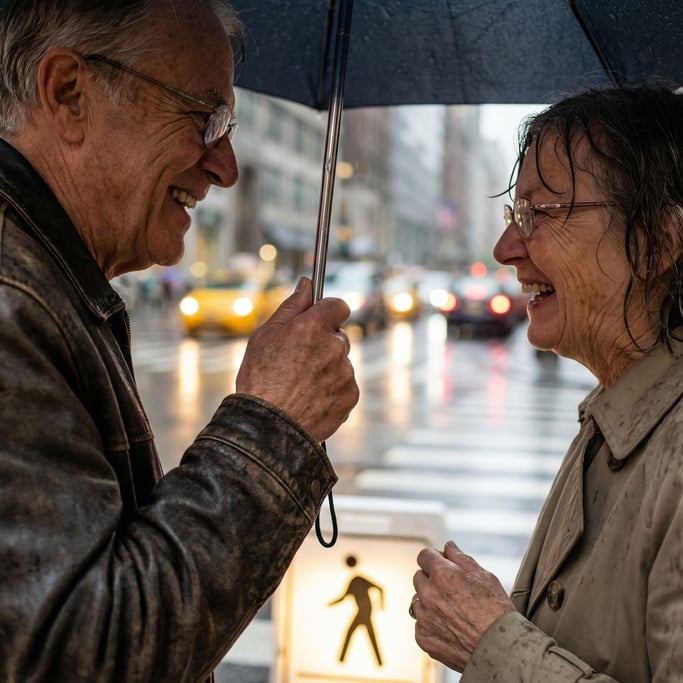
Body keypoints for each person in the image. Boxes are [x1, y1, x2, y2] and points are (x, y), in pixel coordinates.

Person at [0, 1, 359, 682]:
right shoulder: (12, 298)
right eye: (204, 116)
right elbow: (85, 655)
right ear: (69, 93)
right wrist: (271, 426)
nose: (224, 164)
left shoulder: (47, 277)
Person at [410, 85, 683, 682]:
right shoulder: (612, 415)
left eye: (542, 213)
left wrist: (491, 640)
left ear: (659, 241)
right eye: (516, 213)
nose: (507, 248)